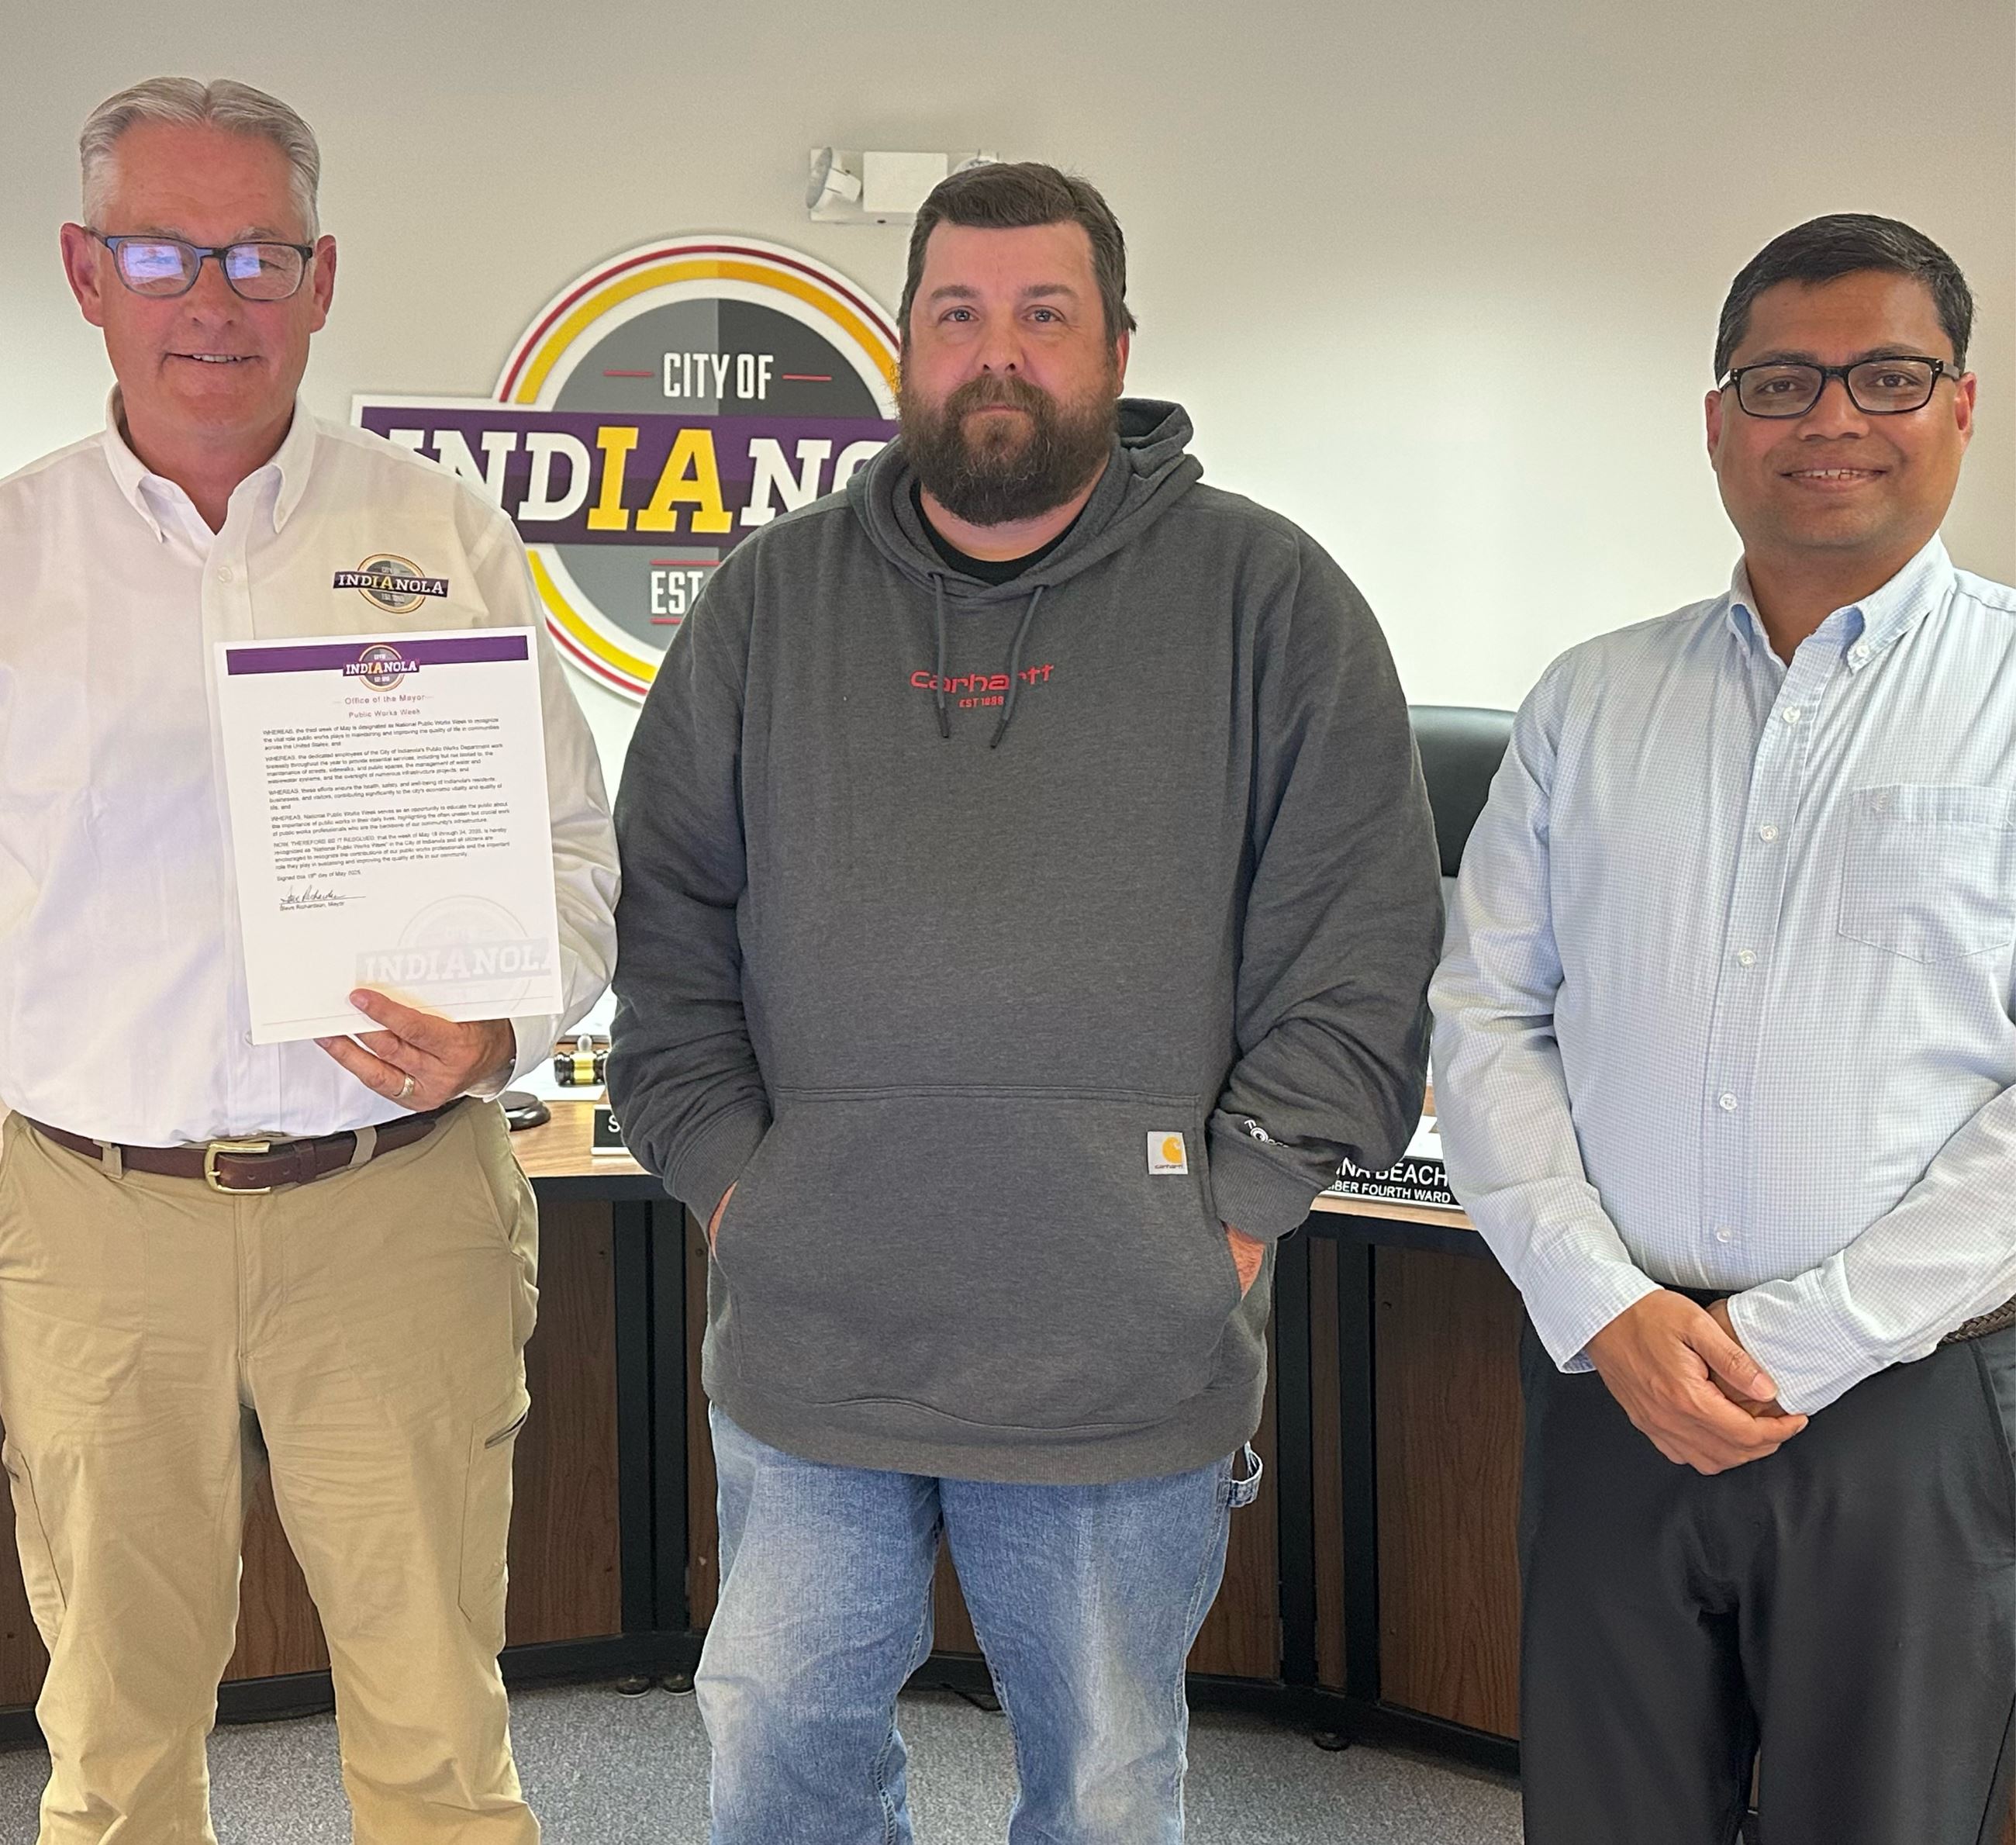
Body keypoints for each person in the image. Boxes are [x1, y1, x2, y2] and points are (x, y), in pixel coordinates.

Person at [608, 160, 1443, 1842]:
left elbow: (1361, 937)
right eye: (958, 315)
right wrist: (731, 1174)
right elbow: (669, 924)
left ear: (1115, 346)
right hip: (816, 1339)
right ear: (905, 346)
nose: (1001, 354)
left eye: (1043, 315)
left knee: (1109, 1785)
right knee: (777, 1742)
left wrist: (1231, 1204)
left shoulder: (1269, 601)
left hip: (1118, 1348)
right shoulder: (770, 604)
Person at [0, 78, 618, 1843]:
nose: (214, 299)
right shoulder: (12, 551)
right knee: (114, 1751)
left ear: (323, 276)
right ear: (83, 270)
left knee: (436, 1731)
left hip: (395, 1205)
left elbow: (579, 854)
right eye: (161, 252)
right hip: (92, 1220)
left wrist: (503, 1019)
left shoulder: (440, 531)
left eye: (259, 255)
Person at [1432, 213, 2015, 1844]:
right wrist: (1600, 1300)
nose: (1828, 416)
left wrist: (1808, 1334)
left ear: (1957, 407)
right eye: (1780, 380)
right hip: (1613, 1382)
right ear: (1715, 422)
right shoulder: (1589, 699)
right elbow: (1483, 1013)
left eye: (1883, 374)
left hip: (1902, 1400)